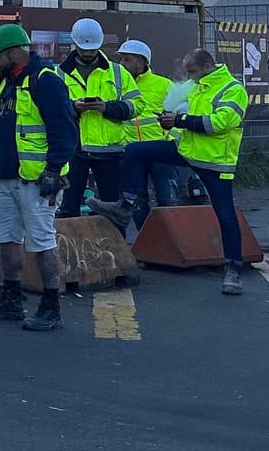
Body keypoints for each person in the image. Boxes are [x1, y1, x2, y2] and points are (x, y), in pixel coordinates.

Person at [90, 49, 250, 295]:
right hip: (186, 151)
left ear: (208, 66)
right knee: (135, 151)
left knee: (226, 216)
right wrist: (171, 123)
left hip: (214, 161)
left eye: (193, 72)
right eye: (187, 72)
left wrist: (179, 121)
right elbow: (185, 113)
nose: (189, 77)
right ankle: (127, 205)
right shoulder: (197, 85)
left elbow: (218, 123)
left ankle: (233, 269)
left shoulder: (233, 89)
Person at [0, 23, 78, 331]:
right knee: (7, 240)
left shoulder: (45, 80)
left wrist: (53, 172)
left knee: (43, 242)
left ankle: (51, 306)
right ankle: (11, 300)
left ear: (15, 52)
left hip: (35, 180)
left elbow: (65, 130)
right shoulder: (7, 83)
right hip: (5, 177)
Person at [57, 18, 136, 220]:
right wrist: (73, 106)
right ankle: (69, 249)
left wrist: (107, 107)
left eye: (92, 49)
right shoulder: (58, 73)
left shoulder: (118, 73)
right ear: (75, 44)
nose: (88, 53)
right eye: (84, 49)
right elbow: (51, 109)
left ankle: (115, 249)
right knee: (68, 208)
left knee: (113, 210)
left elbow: (136, 105)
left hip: (110, 150)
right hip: (74, 149)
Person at [102, 39, 179, 214]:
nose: (121, 63)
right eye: (121, 59)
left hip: (159, 150)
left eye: (127, 59)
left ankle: (171, 240)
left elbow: (178, 116)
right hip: (130, 153)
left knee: (169, 201)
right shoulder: (116, 83)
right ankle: (147, 239)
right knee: (137, 203)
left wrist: (172, 142)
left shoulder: (163, 85)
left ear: (142, 61)